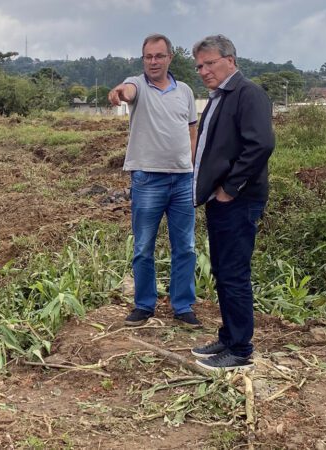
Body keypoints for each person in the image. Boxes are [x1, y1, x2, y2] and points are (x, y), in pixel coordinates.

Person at [189, 35, 274, 371]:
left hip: (238, 200)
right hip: (221, 200)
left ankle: (240, 350)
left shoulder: (247, 93)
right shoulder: (220, 97)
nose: (204, 70)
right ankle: (228, 337)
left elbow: (261, 145)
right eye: (199, 65)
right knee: (224, 271)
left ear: (230, 60)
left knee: (234, 273)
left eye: (210, 63)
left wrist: (230, 187)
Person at [108, 34, 200, 328]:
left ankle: (183, 305)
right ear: (142, 59)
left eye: (159, 56)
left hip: (183, 180)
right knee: (144, 245)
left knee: (184, 246)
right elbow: (128, 91)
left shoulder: (184, 91)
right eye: (148, 57)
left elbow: (192, 130)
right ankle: (144, 305)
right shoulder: (138, 84)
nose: (154, 62)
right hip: (148, 179)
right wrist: (120, 93)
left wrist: (191, 162)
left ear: (170, 57)